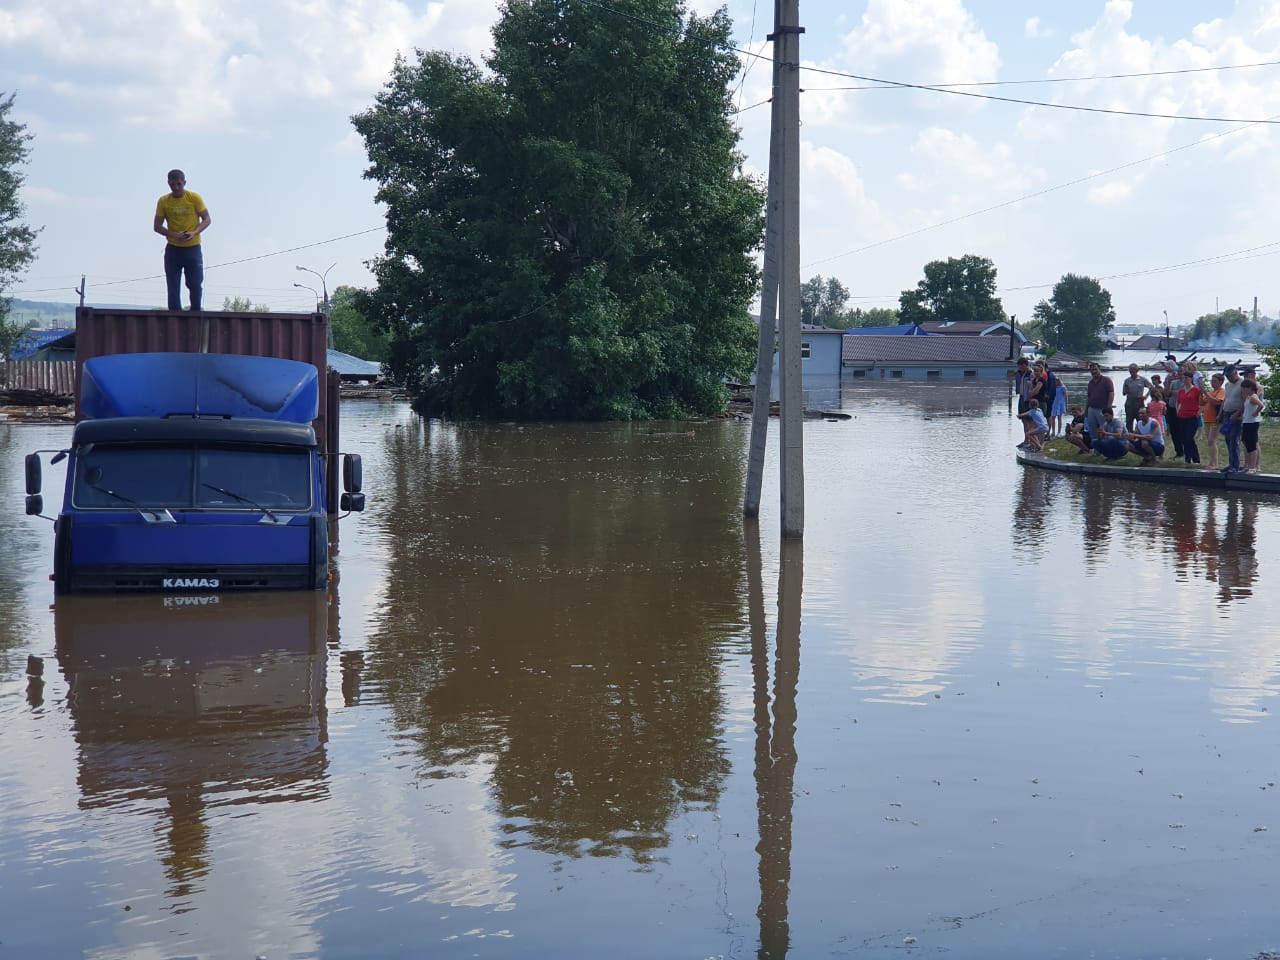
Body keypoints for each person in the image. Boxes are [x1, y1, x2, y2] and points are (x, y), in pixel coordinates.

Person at [154, 169, 211, 311]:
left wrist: (194, 232)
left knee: (195, 283)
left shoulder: (194, 198)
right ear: (168, 184)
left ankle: (196, 313)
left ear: (184, 183)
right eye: (173, 184)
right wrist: (173, 234)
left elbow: (207, 219)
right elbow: (157, 226)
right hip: (173, 248)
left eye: (179, 184)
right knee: (173, 284)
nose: (176, 188)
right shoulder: (163, 201)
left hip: (193, 248)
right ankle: (175, 316)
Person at [1220, 365, 1245, 473]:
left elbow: (1244, 401)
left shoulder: (1242, 384)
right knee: (1228, 439)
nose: (1228, 378)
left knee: (1234, 439)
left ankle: (1235, 465)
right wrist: (1220, 413)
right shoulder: (1227, 385)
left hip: (1236, 414)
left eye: (1230, 376)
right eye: (1227, 376)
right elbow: (1226, 399)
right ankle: (1231, 463)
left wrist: (1238, 414)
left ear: (1235, 373)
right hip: (1226, 413)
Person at [1175, 366, 1202, 464]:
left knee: (1189, 438)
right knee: (1183, 438)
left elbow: (1201, 402)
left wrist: (1199, 412)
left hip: (1192, 416)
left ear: (1191, 379)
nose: (1185, 380)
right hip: (1182, 416)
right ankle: (1187, 458)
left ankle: (1196, 458)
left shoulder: (1196, 390)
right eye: (1184, 378)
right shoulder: (1181, 391)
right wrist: (1177, 411)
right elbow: (1178, 402)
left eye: (1187, 378)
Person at [1084, 362, 1114, 445]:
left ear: (1099, 370)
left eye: (1095, 369)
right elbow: (1089, 397)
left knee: (1104, 428)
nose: (1093, 371)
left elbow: (1111, 393)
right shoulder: (1090, 383)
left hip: (1102, 409)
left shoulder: (1106, 380)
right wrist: (1086, 410)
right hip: (1092, 409)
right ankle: (1096, 447)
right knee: (1092, 428)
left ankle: (1107, 445)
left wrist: (1109, 407)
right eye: (1092, 370)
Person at [1201, 372, 1225, 470]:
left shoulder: (1221, 391)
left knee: (1212, 440)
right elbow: (1202, 402)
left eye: (1214, 381)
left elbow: (1216, 402)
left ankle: (1214, 463)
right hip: (1207, 419)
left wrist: (1206, 393)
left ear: (1220, 382)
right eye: (1212, 381)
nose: (1212, 383)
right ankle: (1212, 461)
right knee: (1209, 441)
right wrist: (1201, 393)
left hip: (1215, 419)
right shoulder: (1210, 392)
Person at [1241, 378, 1264, 474]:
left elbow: (1261, 405)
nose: (1243, 390)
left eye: (1244, 388)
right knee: (1247, 444)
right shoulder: (1248, 397)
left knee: (1252, 444)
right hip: (1246, 422)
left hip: (1252, 423)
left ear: (1249, 388)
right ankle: (1248, 465)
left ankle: (1253, 467)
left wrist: (1256, 412)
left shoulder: (1253, 397)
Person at [1121, 363, 1151, 432]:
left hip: (1139, 401)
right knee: (1129, 421)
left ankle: (1141, 435)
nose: (1132, 372)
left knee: (1140, 420)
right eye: (1130, 371)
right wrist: (1126, 390)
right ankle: (1130, 436)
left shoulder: (1142, 379)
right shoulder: (1127, 380)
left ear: (1137, 371)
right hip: (1129, 402)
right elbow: (1123, 393)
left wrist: (1146, 395)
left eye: (1133, 371)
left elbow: (1151, 387)